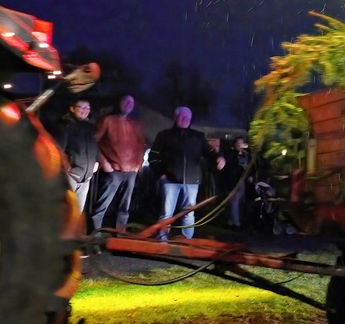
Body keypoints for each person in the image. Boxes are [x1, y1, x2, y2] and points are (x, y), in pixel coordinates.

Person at [149, 106, 223, 240]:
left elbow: (210, 153)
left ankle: (186, 241)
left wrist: (219, 158)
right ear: (175, 118)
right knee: (166, 214)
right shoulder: (164, 135)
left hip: (192, 182)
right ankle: (162, 241)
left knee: (189, 214)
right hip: (170, 181)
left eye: (188, 117)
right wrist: (161, 174)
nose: (185, 120)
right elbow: (153, 157)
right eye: (182, 117)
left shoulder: (197, 136)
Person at [92, 94, 147, 232]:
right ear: (119, 103)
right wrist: (104, 162)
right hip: (114, 170)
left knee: (125, 207)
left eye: (131, 102)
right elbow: (94, 141)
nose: (128, 104)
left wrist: (138, 165)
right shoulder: (108, 120)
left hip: (131, 172)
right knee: (102, 204)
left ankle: (120, 234)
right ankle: (95, 233)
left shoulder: (135, 124)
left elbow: (141, 145)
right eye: (126, 101)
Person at [56, 99, 99, 218]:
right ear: (72, 108)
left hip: (86, 177)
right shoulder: (66, 126)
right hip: (71, 176)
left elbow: (95, 146)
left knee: (77, 212)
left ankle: (73, 235)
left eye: (88, 108)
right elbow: (59, 149)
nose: (85, 110)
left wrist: (97, 161)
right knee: (65, 210)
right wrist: (67, 166)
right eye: (82, 107)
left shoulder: (91, 128)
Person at [223, 136, 252, 229]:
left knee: (240, 202)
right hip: (234, 181)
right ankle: (236, 223)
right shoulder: (231, 154)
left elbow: (250, 167)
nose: (240, 145)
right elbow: (230, 169)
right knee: (234, 201)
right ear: (235, 144)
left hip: (243, 181)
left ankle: (231, 222)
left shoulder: (246, 154)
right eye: (238, 143)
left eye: (241, 143)